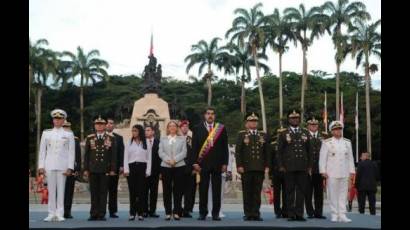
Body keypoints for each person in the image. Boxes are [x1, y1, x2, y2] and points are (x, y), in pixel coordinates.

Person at [38, 109, 75, 222]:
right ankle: (51, 213)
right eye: (55, 119)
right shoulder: (46, 133)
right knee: (51, 189)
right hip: (49, 165)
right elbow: (42, 151)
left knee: (61, 190)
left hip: (62, 165)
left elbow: (71, 152)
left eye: (59, 119)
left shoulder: (69, 134)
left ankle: (59, 213)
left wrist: (70, 167)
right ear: (53, 120)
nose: (57, 121)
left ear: (63, 120)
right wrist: (41, 166)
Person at [192, 107, 229, 221]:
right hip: (203, 164)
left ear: (215, 116)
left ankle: (215, 214)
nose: (210, 116)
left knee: (216, 190)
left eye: (212, 114)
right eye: (208, 114)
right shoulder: (197, 128)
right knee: (203, 190)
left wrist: (225, 163)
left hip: (217, 164)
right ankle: (202, 213)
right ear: (204, 115)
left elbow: (224, 147)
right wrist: (195, 163)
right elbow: (195, 148)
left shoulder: (221, 128)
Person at [277, 110, 312, 221]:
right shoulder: (283, 133)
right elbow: (279, 151)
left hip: (302, 166)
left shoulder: (305, 132)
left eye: (297, 118)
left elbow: (309, 150)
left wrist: (310, 165)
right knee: (290, 191)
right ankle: (291, 214)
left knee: (301, 191)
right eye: (292, 118)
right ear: (289, 120)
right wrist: (281, 165)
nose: (295, 119)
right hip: (289, 167)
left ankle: (299, 214)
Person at [235, 112, 270, 221]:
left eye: (255, 121)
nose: (253, 123)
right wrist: (239, 165)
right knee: (247, 191)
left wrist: (267, 166)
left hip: (259, 168)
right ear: (247, 123)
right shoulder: (242, 134)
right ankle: (248, 213)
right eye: (251, 121)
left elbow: (267, 152)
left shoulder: (263, 135)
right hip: (246, 167)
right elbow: (238, 151)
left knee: (257, 192)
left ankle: (256, 213)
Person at [319, 121, 355, 222]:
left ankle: (342, 214)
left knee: (343, 194)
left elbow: (350, 158)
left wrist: (352, 171)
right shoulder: (327, 142)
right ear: (332, 131)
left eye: (339, 129)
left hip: (344, 172)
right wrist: (323, 171)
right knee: (332, 194)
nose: (338, 131)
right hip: (331, 173)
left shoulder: (347, 142)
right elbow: (322, 158)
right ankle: (334, 214)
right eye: (335, 129)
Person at [83, 115, 117, 221]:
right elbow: (87, 155)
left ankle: (101, 214)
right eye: (97, 124)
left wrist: (112, 169)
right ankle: (93, 213)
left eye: (101, 124)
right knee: (94, 193)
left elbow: (113, 155)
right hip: (93, 169)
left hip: (105, 170)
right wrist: (86, 169)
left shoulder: (110, 138)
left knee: (103, 192)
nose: (99, 126)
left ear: (105, 126)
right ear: (95, 126)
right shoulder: (90, 138)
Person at [158, 120, 187, 220]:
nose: (172, 128)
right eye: (170, 126)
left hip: (179, 166)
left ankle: (177, 212)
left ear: (177, 128)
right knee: (167, 190)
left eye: (174, 126)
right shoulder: (163, 139)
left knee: (178, 190)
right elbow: (160, 152)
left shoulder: (182, 139)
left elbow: (184, 152)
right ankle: (168, 212)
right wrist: (168, 160)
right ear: (167, 128)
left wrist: (175, 160)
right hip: (166, 167)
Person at [123, 124, 151, 221]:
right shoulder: (128, 143)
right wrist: (126, 170)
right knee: (133, 192)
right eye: (132, 131)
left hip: (142, 167)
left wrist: (148, 171)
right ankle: (132, 213)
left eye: (135, 131)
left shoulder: (146, 142)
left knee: (141, 191)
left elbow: (149, 158)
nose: (134, 133)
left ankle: (140, 213)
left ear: (140, 131)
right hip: (131, 167)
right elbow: (125, 157)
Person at [304, 117, 327, 219]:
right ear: (308, 126)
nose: (313, 126)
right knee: (308, 192)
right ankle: (310, 212)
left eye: (315, 125)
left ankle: (319, 212)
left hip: (320, 169)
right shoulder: (303, 135)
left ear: (318, 126)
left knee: (319, 193)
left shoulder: (324, 136)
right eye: (311, 125)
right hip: (308, 169)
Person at [62, 121, 82, 219]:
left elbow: (78, 155)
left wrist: (77, 169)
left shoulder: (75, 139)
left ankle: (67, 211)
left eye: (67, 127)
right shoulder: (56, 138)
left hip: (71, 169)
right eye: (64, 127)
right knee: (59, 191)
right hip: (60, 169)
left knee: (69, 191)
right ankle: (58, 210)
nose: (66, 128)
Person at [105, 118, 125, 218]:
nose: (109, 125)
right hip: (102, 168)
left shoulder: (119, 138)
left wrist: (121, 166)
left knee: (113, 190)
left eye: (111, 123)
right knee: (101, 190)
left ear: (114, 125)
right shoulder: (98, 136)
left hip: (114, 168)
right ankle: (100, 210)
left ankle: (113, 211)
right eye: (108, 123)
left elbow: (121, 153)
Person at [143, 125, 161, 218]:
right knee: (144, 192)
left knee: (154, 192)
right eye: (145, 130)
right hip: (145, 172)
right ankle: (144, 211)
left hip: (155, 171)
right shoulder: (142, 143)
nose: (146, 132)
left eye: (148, 130)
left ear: (153, 132)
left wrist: (161, 172)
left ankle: (152, 211)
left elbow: (161, 157)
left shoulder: (159, 142)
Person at [270, 128, 288, 219]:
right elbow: (271, 160)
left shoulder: (288, 143)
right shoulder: (273, 145)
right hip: (276, 172)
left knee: (286, 193)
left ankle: (285, 211)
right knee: (276, 193)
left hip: (286, 171)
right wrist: (270, 174)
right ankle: (277, 211)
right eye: (279, 134)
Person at [180, 120, 196, 218]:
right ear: (180, 128)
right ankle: (178, 209)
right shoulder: (176, 138)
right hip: (179, 168)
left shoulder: (192, 139)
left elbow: (196, 153)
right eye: (183, 126)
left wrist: (195, 166)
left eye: (186, 126)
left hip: (190, 168)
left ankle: (187, 210)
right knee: (178, 191)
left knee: (189, 191)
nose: (185, 128)